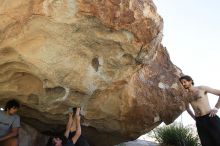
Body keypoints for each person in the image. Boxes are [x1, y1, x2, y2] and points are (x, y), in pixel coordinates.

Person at [179, 75, 220, 146]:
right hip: (199, 121)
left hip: (210, 117)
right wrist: (194, 117)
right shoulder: (186, 96)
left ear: (190, 81)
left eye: (184, 82)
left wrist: (216, 108)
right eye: (181, 83)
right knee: (206, 143)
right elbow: (187, 108)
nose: (183, 84)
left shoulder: (202, 88)